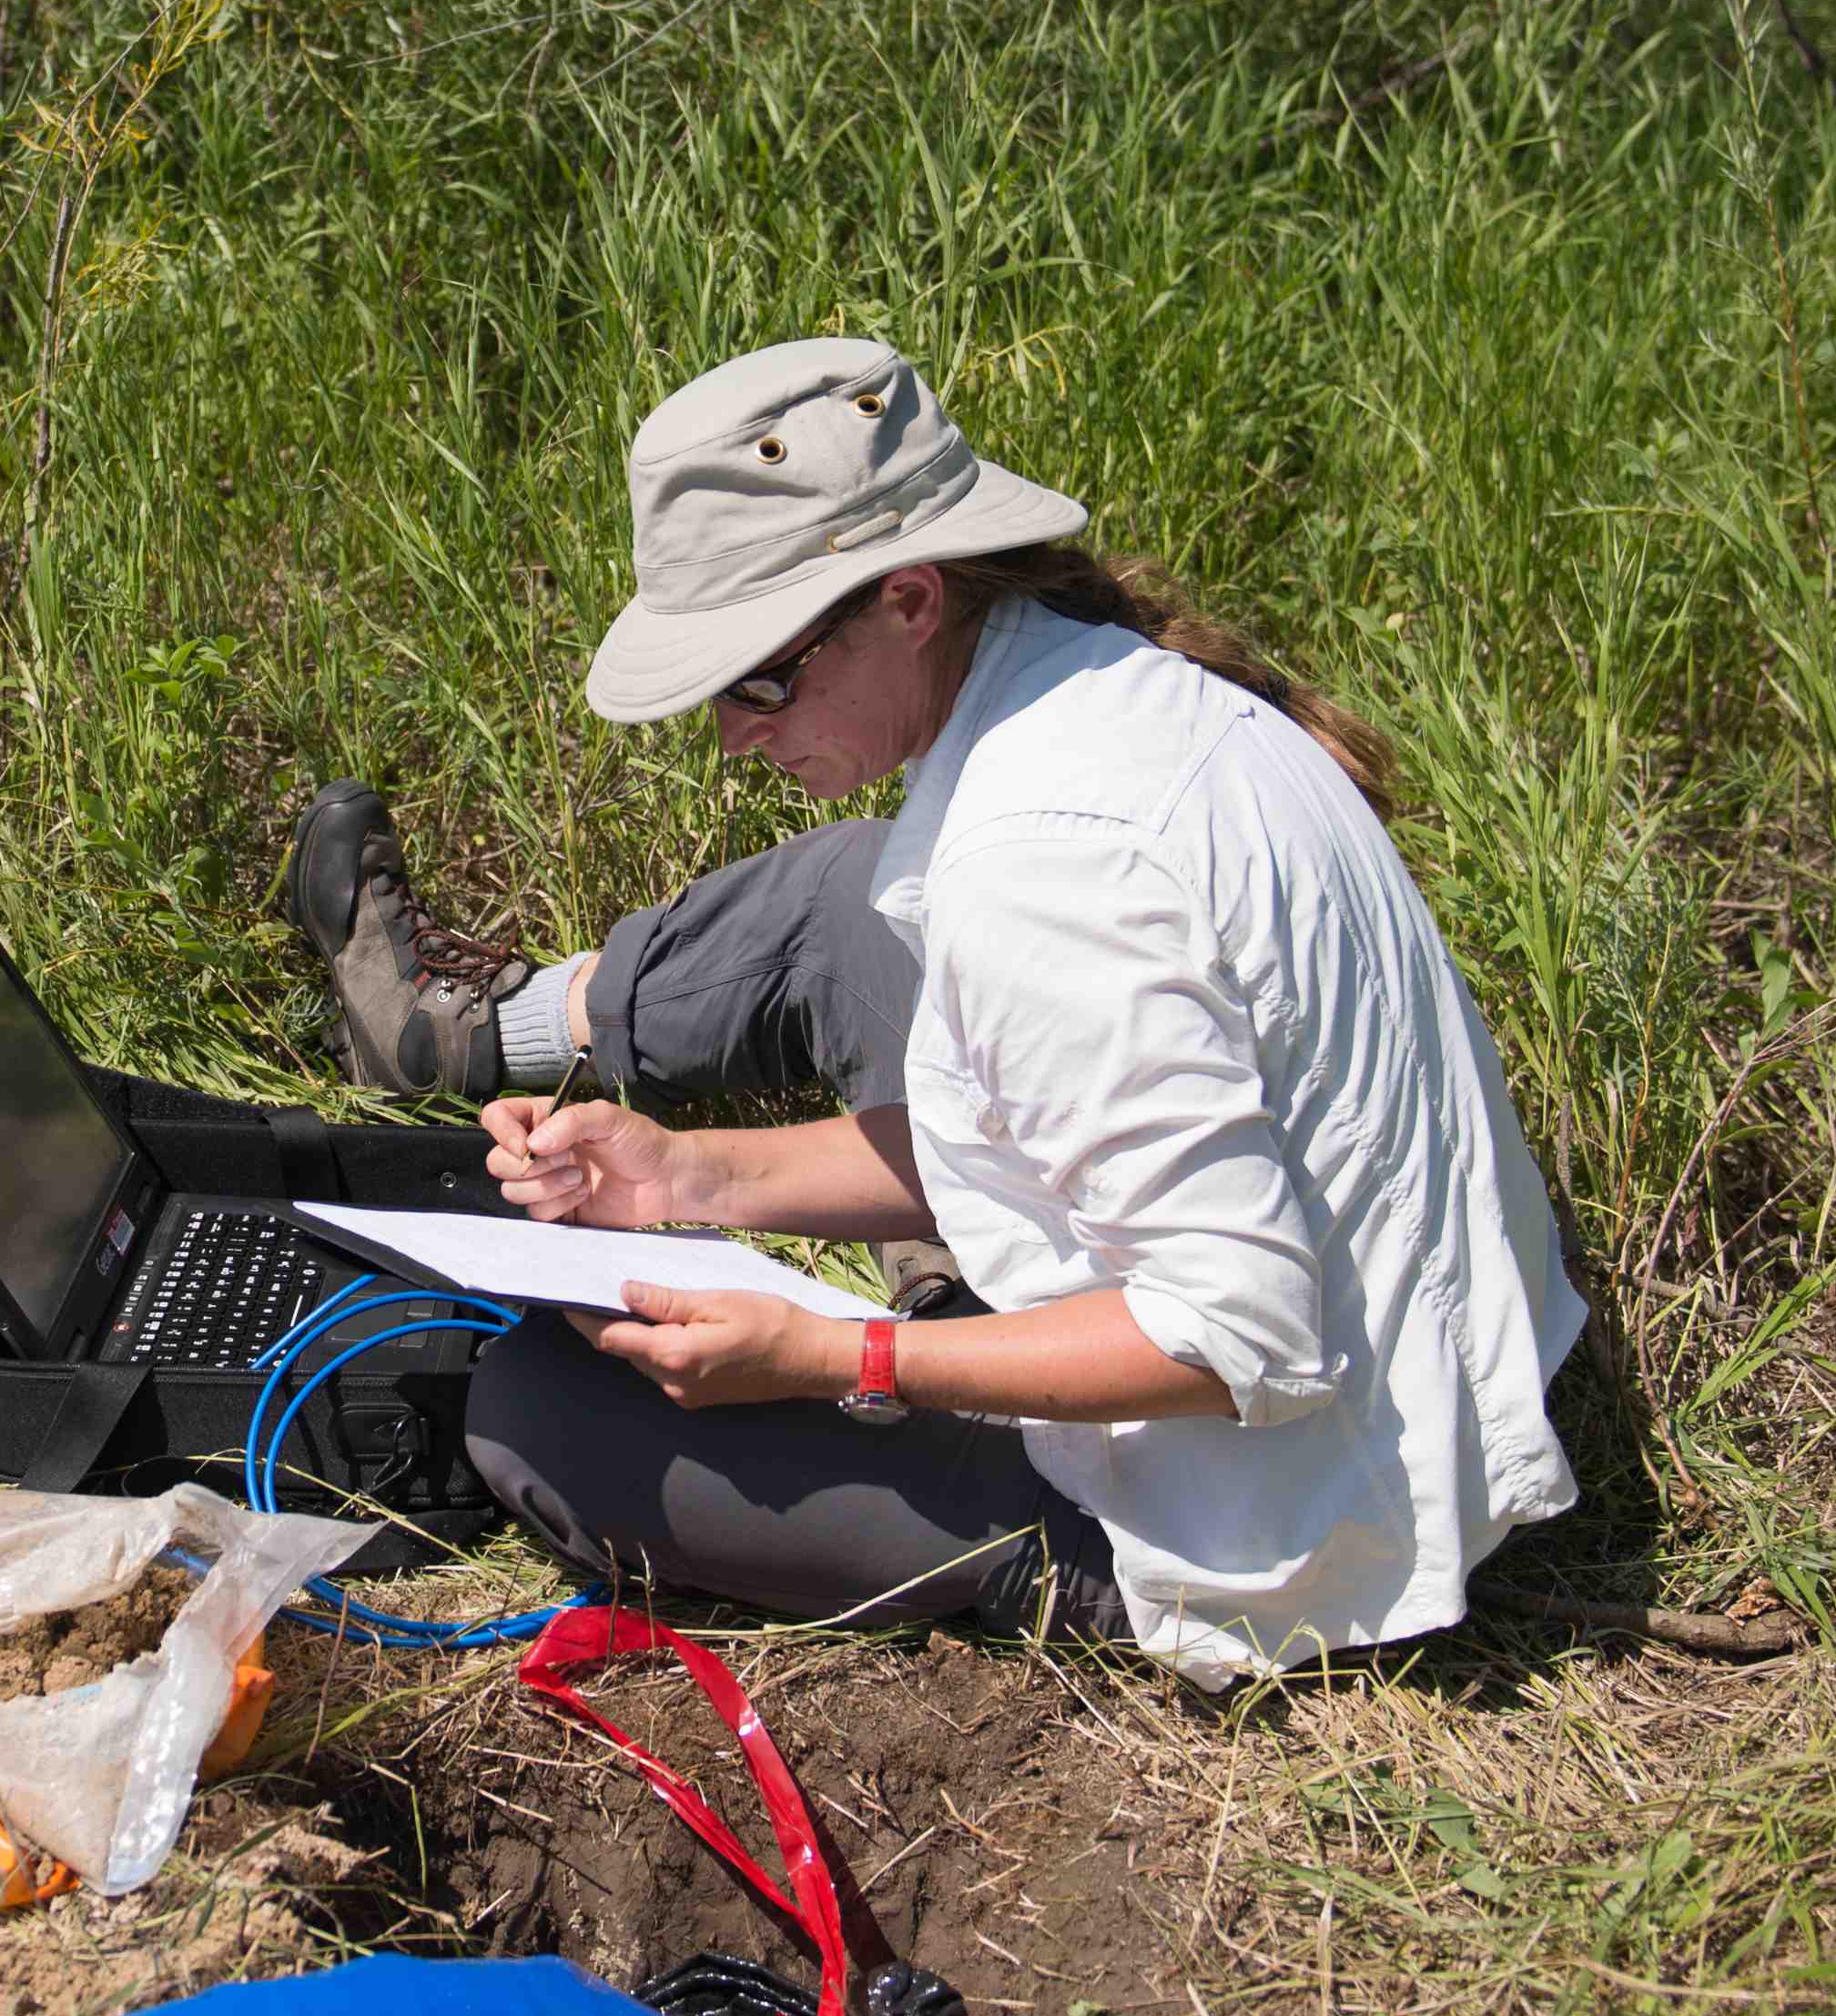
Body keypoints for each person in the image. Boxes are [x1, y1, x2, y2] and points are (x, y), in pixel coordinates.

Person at [284, 339, 1587, 1681]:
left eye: (760, 680)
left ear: (908, 598)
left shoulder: (1040, 875)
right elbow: (1044, 1128)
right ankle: (513, 1033)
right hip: (1429, 1377)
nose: (734, 736)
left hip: (1295, 1509)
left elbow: (1234, 1334)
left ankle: (1017, 1466)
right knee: (860, 889)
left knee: (532, 1413)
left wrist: (837, 1355)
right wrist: (684, 1174)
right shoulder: (1100, 691)